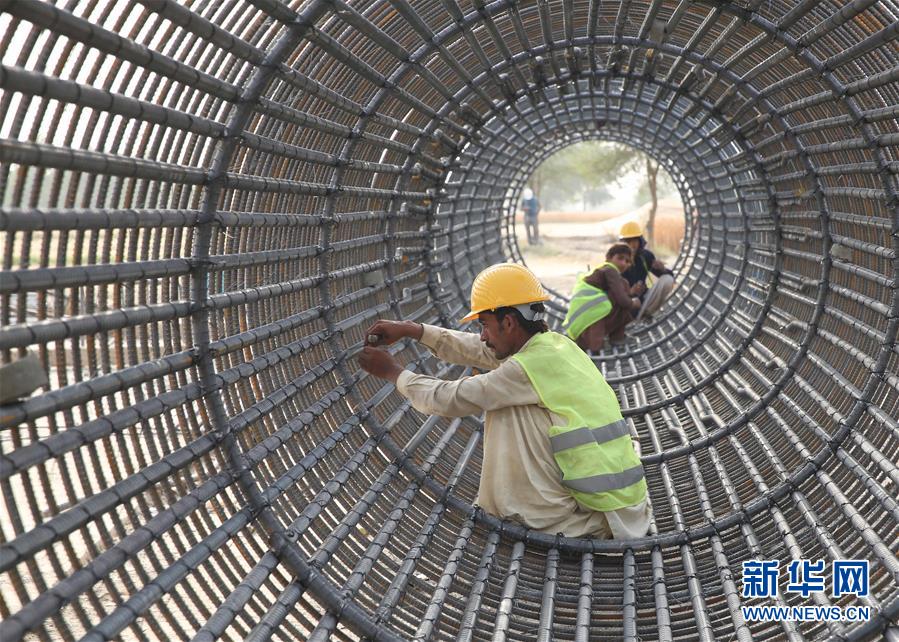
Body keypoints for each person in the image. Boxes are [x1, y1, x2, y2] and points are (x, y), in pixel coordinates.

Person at [358, 263, 651, 539]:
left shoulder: (525, 369)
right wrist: (413, 330)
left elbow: (450, 398)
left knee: (503, 404)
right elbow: (479, 349)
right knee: (507, 393)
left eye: (484, 324)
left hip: (602, 514)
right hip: (622, 505)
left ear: (509, 322)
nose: (482, 336)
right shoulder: (555, 346)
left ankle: (528, 514)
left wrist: (393, 373)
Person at [562, 244, 641, 352]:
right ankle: (598, 343)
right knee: (623, 295)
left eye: (627, 261)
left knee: (623, 286)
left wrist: (630, 294)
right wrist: (634, 302)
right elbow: (622, 300)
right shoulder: (610, 270)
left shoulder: (603, 270)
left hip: (580, 322)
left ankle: (615, 337)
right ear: (609, 257)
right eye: (620, 258)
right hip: (589, 319)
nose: (624, 263)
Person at [618, 221, 675, 321]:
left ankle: (646, 314)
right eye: (628, 241)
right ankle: (635, 319)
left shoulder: (646, 256)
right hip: (628, 306)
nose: (632, 245)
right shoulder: (618, 261)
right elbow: (614, 293)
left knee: (667, 279)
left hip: (645, 300)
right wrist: (631, 292)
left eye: (634, 241)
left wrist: (662, 269)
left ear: (640, 241)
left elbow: (659, 278)